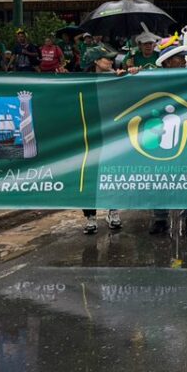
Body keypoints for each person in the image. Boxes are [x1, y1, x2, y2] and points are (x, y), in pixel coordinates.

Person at [149, 34, 187, 235]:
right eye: (178, 58)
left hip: (186, 133)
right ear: (166, 62)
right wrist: (131, 73)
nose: (182, 62)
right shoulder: (151, 79)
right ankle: (160, 217)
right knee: (158, 176)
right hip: (160, 133)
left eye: (183, 58)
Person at [81, 44, 124, 233]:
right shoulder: (80, 81)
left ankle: (113, 211)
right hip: (89, 136)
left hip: (112, 135)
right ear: (96, 62)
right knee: (90, 175)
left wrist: (131, 73)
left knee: (112, 172)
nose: (111, 61)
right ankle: (90, 217)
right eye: (107, 58)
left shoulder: (118, 77)